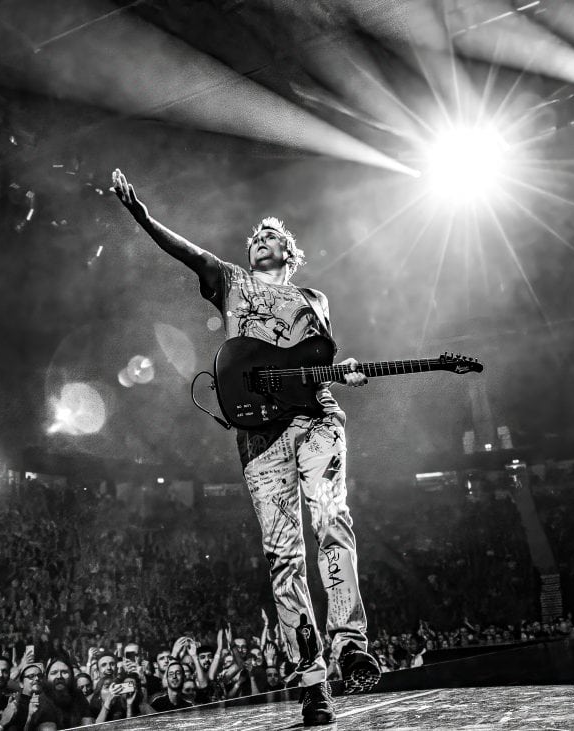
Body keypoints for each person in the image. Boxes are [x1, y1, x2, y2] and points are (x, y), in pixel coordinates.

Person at [112, 168, 381, 726]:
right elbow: (188, 253)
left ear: (290, 253)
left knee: (332, 519)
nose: (260, 239)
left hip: (317, 417)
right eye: (256, 236)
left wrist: (343, 371)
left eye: (271, 235)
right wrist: (143, 217)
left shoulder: (313, 297)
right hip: (259, 434)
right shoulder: (232, 281)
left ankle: (350, 644)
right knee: (284, 556)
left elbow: (314, 357)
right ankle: (312, 681)